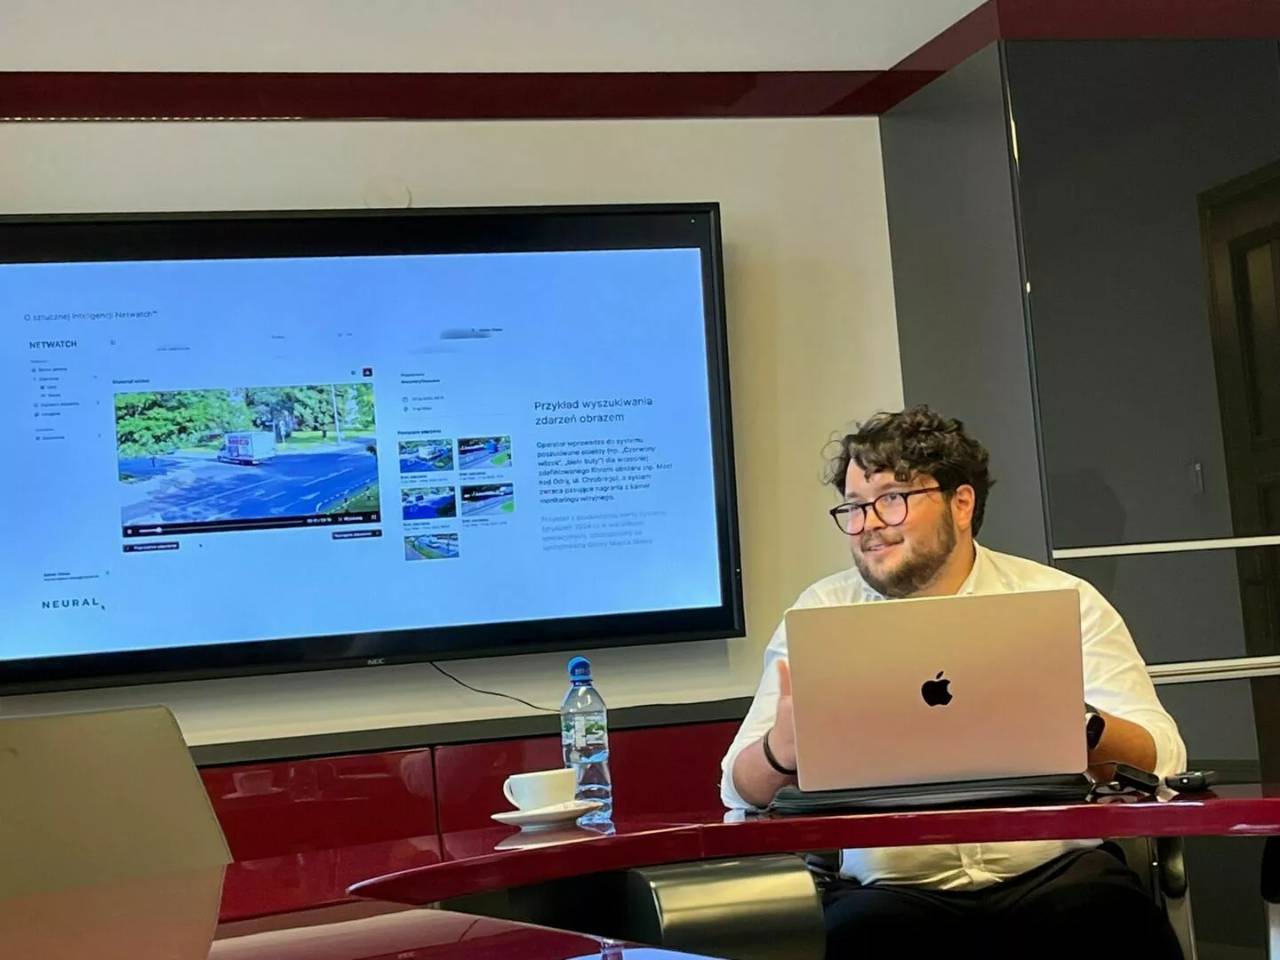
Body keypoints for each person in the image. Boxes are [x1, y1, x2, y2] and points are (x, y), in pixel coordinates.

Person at [720, 406, 1186, 960]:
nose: (868, 524)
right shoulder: (820, 614)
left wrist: (1083, 725)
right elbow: (736, 788)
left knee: (1111, 920)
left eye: (891, 499)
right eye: (854, 506)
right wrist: (781, 751)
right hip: (889, 894)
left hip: (1057, 874)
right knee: (860, 938)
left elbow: (1164, 759)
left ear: (961, 504)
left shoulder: (1059, 600)